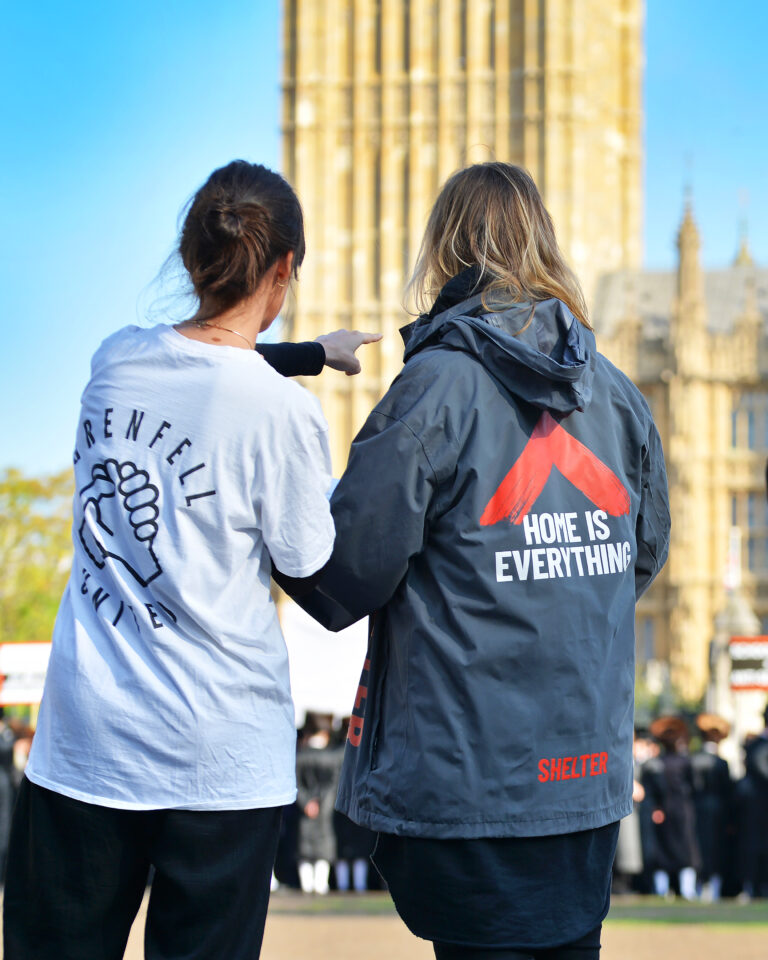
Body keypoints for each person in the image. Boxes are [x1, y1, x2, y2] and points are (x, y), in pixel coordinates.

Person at [279, 161, 670, 960]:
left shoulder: (436, 387)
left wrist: (265, 519)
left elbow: (343, 575)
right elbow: (645, 553)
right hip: (585, 783)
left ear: (445, 250)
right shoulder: (620, 397)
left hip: (470, 785)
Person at [3, 159, 378, 960]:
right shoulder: (281, 416)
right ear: (284, 272)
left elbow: (200, 363)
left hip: (85, 745)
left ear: (188, 259)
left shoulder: (114, 362)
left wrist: (310, 353)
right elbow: (312, 562)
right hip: (218, 759)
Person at [642, 716, 700, 899]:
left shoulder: (657, 764)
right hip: (682, 810)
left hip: (665, 811)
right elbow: (695, 786)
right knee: (684, 850)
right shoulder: (685, 762)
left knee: (667, 849)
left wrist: (657, 808)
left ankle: (666, 889)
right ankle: (685, 889)